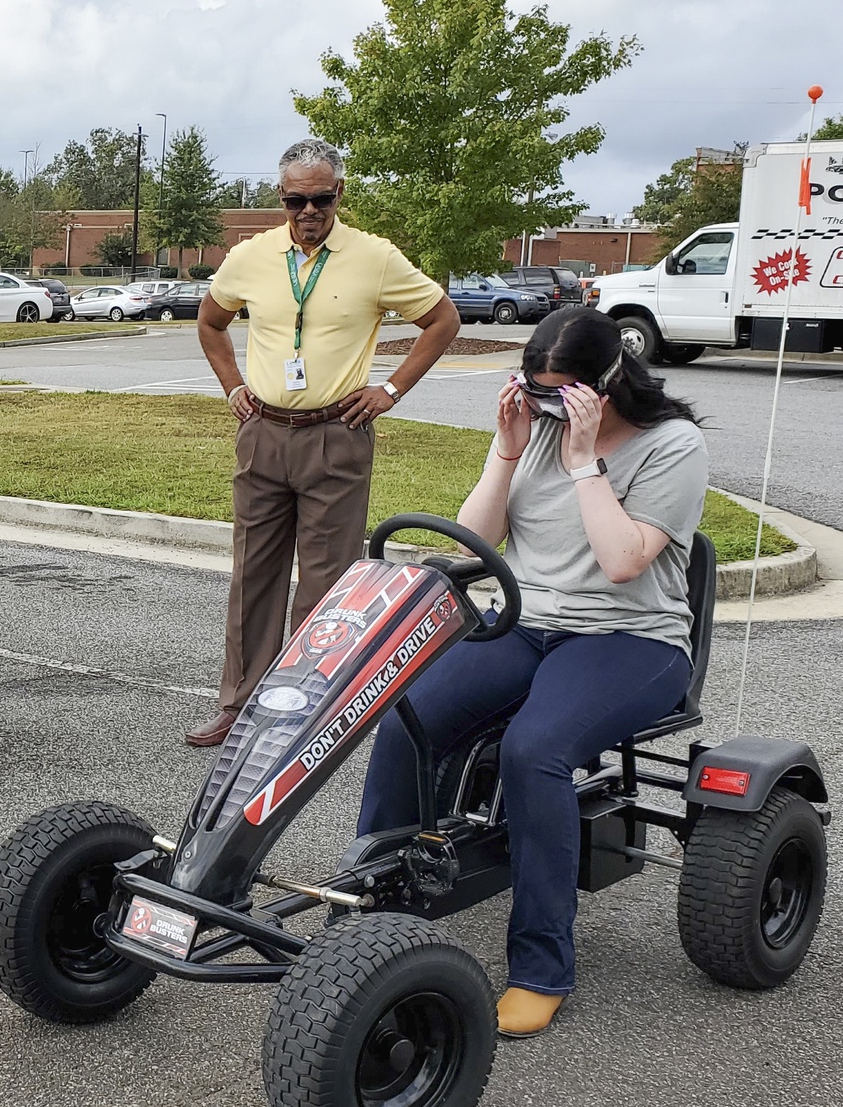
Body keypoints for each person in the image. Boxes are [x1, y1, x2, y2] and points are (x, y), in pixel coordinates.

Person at [357, 307, 708, 1039]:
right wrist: (508, 451)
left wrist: (586, 464)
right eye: (536, 390)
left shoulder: (673, 445)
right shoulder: (538, 433)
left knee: (534, 750)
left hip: (633, 639)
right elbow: (478, 538)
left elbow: (621, 562)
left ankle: (542, 968)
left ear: (607, 384)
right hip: (527, 620)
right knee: (407, 718)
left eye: (560, 395)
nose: (547, 407)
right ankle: (376, 914)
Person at [188, 138, 461, 747]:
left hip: (338, 435)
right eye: (295, 200)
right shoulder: (253, 255)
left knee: (326, 583)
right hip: (262, 433)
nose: (308, 211)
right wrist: (233, 387)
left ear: (339, 193)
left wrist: (389, 389)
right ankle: (238, 706)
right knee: (253, 573)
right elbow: (210, 321)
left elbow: (442, 321)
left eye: (319, 198)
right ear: (281, 199)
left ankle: (304, 709)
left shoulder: (376, 257)